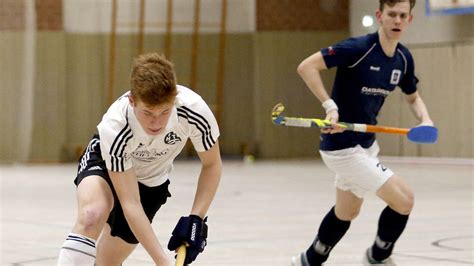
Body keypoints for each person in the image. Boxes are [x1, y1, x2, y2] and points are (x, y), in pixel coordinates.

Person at [292, 0, 433, 265]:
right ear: (380, 16)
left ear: (410, 19)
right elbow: (306, 67)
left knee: (347, 211)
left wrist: (425, 120)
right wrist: (329, 106)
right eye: (392, 15)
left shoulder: (403, 59)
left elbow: (413, 98)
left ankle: (308, 260)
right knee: (404, 199)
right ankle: (378, 258)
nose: (397, 21)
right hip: (341, 147)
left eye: (403, 15)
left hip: (367, 146)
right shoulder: (358, 48)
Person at [57, 53, 222, 265]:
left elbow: (212, 164)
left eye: (164, 112)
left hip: (151, 182)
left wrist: (196, 219)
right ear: (132, 101)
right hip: (106, 166)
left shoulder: (194, 111)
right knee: (92, 213)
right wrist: (163, 262)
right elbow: (130, 203)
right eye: (148, 113)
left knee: (106, 262)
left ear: (175, 99)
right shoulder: (116, 126)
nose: (156, 122)